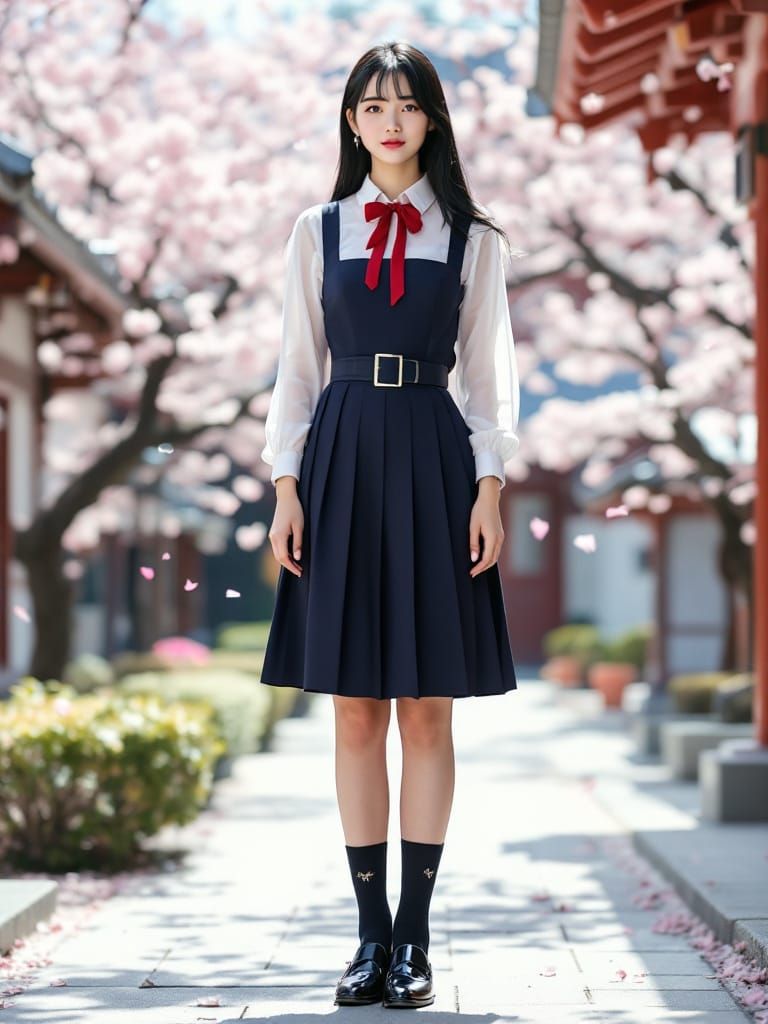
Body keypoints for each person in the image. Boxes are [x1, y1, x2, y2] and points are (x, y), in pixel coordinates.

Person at [259, 40, 521, 1010]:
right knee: (356, 708)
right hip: (339, 459)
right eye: (373, 106)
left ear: (432, 118)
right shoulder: (317, 229)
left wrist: (489, 487)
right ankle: (369, 936)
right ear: (352, 121)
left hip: (434, 459)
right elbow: (296, 367)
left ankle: (416, 936)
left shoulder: (474, 240)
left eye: (407, 104)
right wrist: (286, 484)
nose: (391, 121)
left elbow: (490, 377)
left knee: (428, 708)